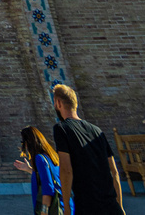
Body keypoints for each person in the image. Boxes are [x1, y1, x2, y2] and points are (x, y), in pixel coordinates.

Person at [51, 84, 126, 215]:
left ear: (58, 103)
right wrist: (120, 206)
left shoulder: (61, 129)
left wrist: (67, 209)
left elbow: (66, 170)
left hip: (87, 204)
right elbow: (114, 171)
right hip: (110, 204)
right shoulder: (97, 130)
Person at [17, 125, 67, 215]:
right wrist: (29, 169)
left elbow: (48, 187)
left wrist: (44, 211)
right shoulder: (51, 156)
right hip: (62, 204)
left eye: (23, 142)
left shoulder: (39, 158)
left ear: (28, 142)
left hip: (53, 208)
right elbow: (48, 176)